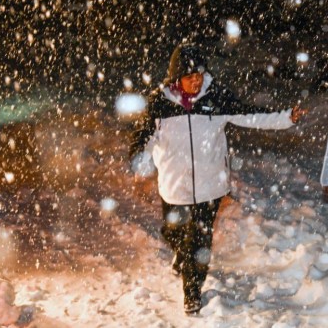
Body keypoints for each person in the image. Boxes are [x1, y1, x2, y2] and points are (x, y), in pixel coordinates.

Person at [129, 43, 306, 316]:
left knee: (199, 240)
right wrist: (140, 157)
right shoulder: (160, 103)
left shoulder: (215, 97)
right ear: (177, 79)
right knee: (174, 232)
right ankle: (181, 255)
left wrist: (286, 118)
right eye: (190, 77)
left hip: (210, 186)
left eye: (200, 75)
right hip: (175, 187)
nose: (196, 81)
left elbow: (250, 115)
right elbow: (143, 137)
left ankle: (192, 291)